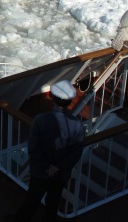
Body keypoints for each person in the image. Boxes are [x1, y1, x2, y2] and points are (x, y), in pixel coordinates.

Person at [5, 80, 85, 222]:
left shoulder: (40, 120)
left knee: (33, 198)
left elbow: (34, 148)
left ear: (53, 98)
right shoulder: (77, 124)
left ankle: (21, 220)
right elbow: (76, 151)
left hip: (41, 170)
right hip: (61, 173)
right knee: (53, 200)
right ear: (70, 101)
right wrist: (58, 167)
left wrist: (47, 166)